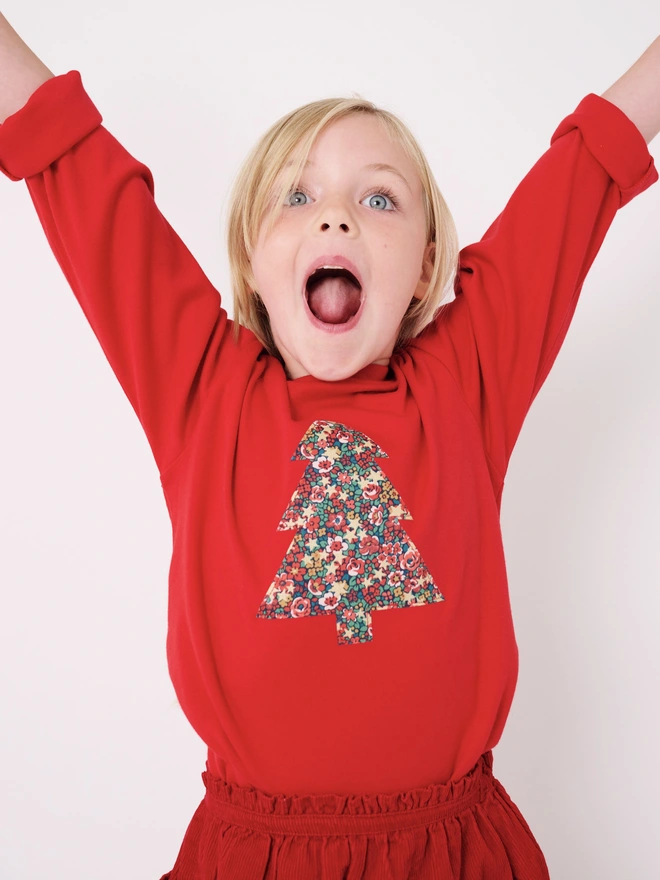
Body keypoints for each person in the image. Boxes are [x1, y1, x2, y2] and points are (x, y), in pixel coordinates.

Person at [1, 11, 658, 879]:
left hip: (455, 853)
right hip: (250, 857)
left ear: (426, 266)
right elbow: (81, 173)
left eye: (378, 197)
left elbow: (578, 182)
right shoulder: (201, 389)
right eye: (297, 197)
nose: (337, 219)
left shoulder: (466, 381)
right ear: (252, 259)